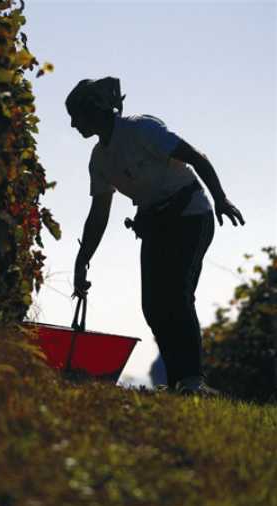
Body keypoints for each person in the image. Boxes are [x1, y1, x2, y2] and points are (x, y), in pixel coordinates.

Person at [65, 76, 245, 397]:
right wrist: (82, 261)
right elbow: (98, 216)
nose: (72, 124)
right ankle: (178, 382)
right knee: (153, 304)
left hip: (190, 215)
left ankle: (192, 380)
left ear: (95, 111)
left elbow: (195, 157)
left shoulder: (141, 130)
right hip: (155, 224)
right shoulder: (100, 160)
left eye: (75, 115)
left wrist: (220, 198)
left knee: (176, 295)